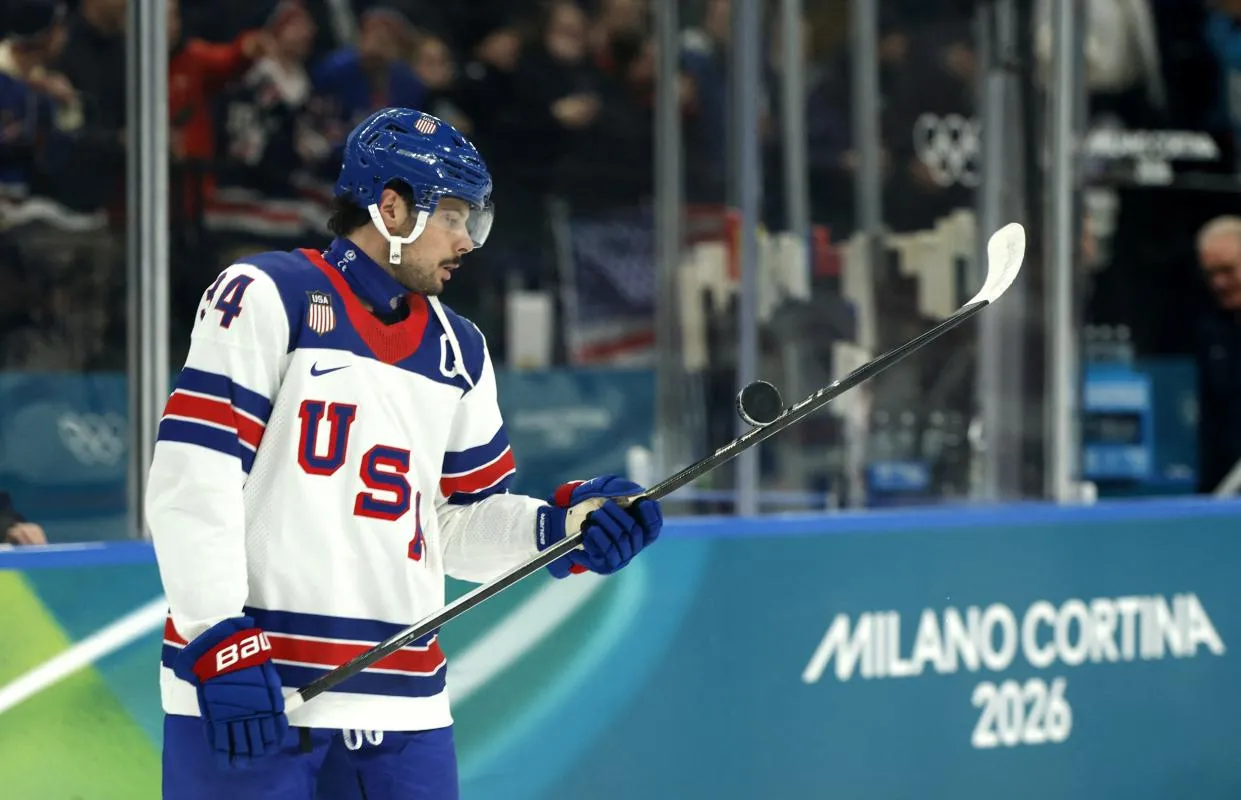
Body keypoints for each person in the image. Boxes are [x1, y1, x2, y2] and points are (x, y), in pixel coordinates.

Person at [145, 107, 664, 799]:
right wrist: (215, 633)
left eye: (474, 220)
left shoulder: (459, 349)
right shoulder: (269, 295)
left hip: (403, 705)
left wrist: (559, 531)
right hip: (258, 684)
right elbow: (194, 476)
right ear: (390, 207)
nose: (466, 241)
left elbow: (452, 523)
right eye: (453, 216)